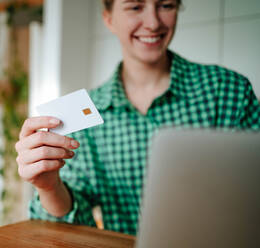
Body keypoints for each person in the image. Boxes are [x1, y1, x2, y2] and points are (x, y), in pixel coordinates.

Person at [15, 0, 260, 235]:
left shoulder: (229, 91)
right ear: (109, 18)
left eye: (166, 5)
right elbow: (74, 228)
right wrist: (49, 186)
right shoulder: (86, 117)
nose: (153, 23)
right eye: (135, 6)